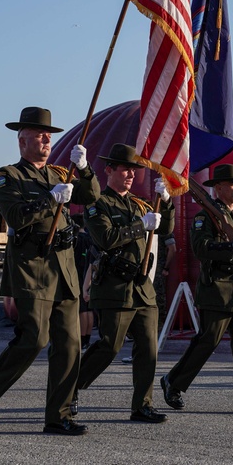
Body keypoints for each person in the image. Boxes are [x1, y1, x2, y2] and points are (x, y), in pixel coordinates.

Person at [0, 107, 100, 436]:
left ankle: (58, 416)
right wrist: (49, 199)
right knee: (34, 337)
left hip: (64, 266)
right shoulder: (8, 176)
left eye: (49, 135)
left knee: (70, 344)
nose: (46, 139)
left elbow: (91, 196)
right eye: (39, 134)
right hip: (32, 266)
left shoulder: (61, 173)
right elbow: (16, 217)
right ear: (22, 139)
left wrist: (84, 169)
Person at [160, 164, 233, 416]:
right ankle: (173, 381)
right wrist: (229, 249)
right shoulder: (205, 217)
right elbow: (200, 249)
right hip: (218, 289)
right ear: (218, 187)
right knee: (207, 341)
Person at [76, 143, 174, 423]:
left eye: (134, 170)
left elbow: (165, 228)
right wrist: (140, 225)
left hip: (142, 288)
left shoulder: (141, 204)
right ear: (109, 170)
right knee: (110, 346)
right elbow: (106, 238)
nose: (131, 174)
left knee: (148, 347)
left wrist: (166, 203)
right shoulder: (98, 204)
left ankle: (142, 405)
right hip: (114, 286)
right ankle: (69, 387)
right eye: (125, 169)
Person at [72, 215, 98, 350]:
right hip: (89, 273)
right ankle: (87, 338)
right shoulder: (90, 239)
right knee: (88, 309)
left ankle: (82, 339)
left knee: (82, 309)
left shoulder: (76, 240)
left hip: (78, 274)